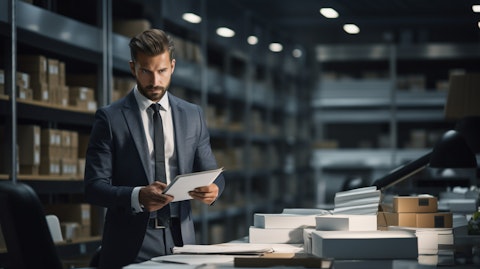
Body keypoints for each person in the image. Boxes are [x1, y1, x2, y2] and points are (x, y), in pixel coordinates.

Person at [84, 28, 225, 268]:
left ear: (172, 66)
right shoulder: (110, 118)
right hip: (130, 244)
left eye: (161, 71)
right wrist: (137, 195)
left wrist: (214, 190)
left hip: (181, 240)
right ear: (133, 68)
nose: (155, 81)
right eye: (146, 72)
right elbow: (94, 187)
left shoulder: (193, 115)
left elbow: (214, 174)